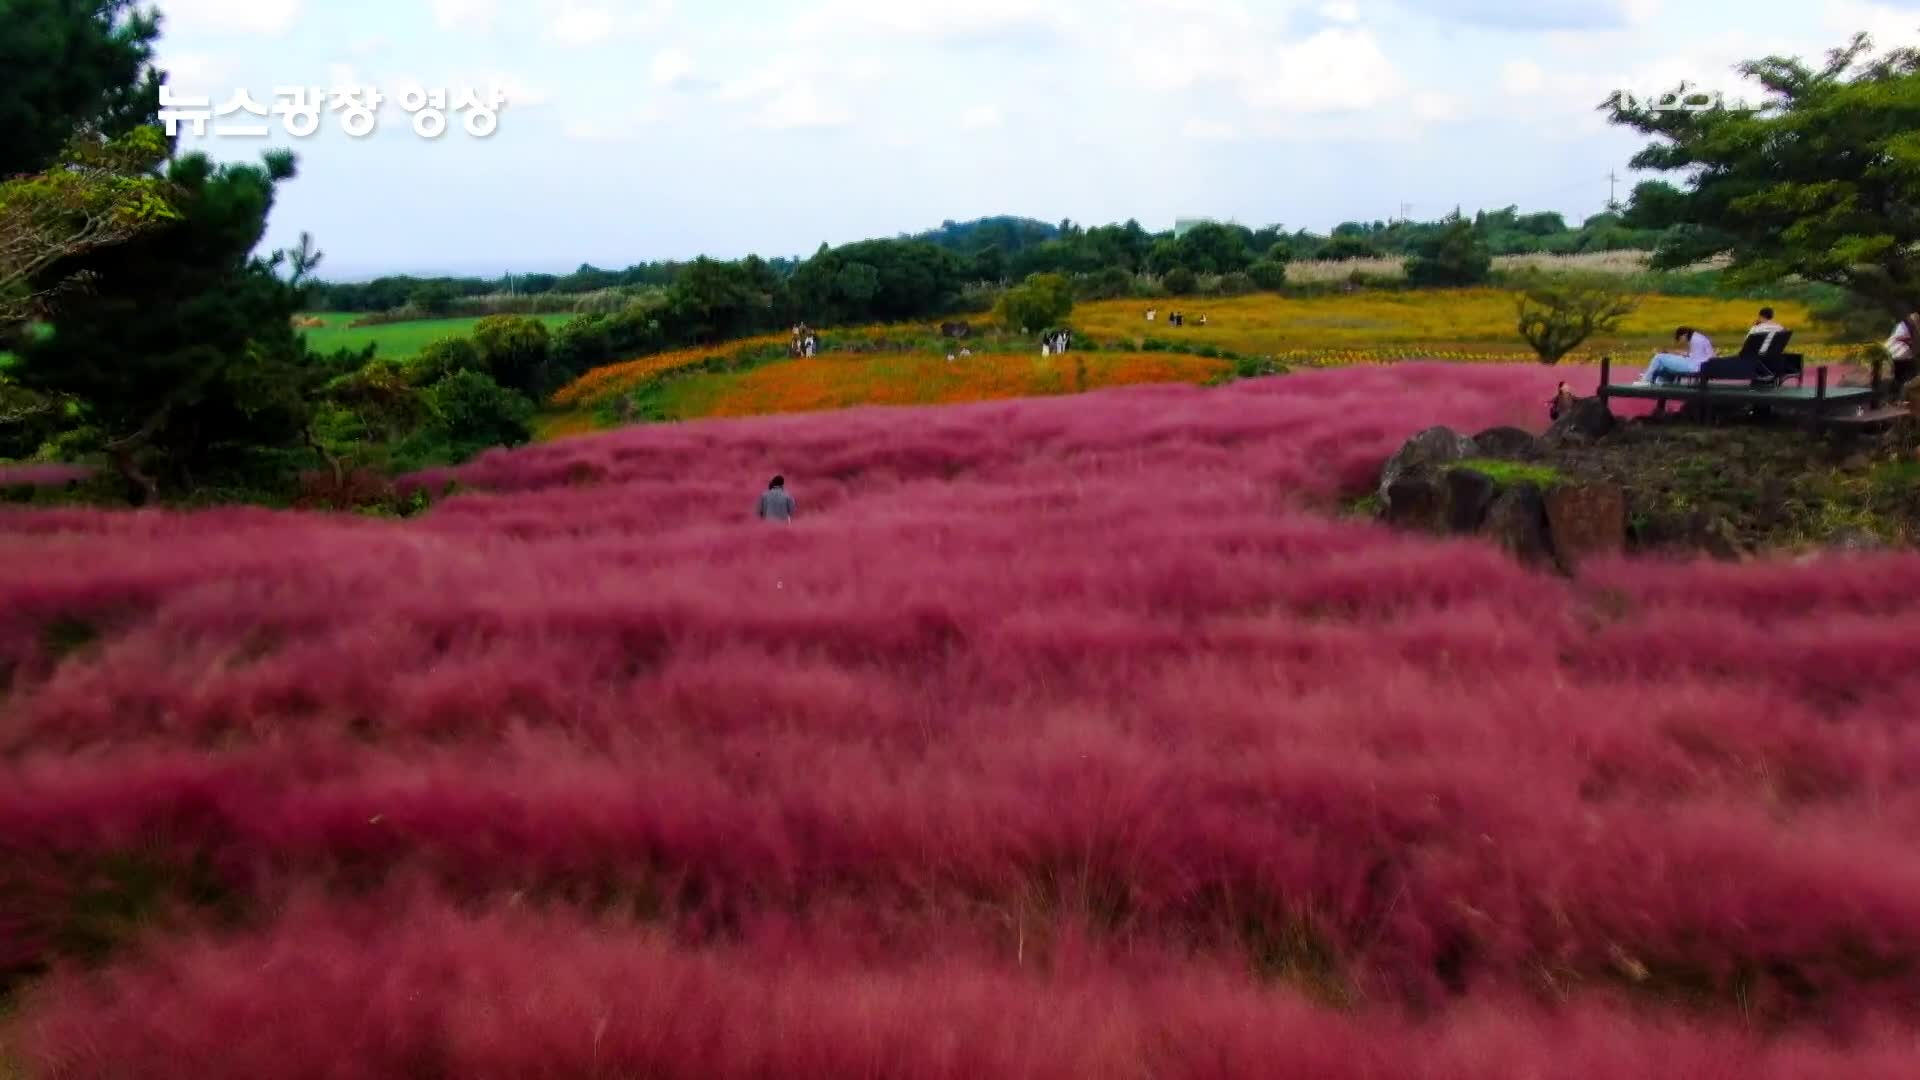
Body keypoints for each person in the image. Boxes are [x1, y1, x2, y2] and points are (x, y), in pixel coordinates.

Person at [1635, 326, 1714, 385]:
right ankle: (1662, 380)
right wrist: (1676, 353)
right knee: (1667, 359)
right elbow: (1700, 355)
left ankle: (1646, 380)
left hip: (1694, 367)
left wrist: (1677, 355)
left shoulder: (1695, 340)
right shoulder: (1699, 337)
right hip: (1701, 366)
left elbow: (1695, 359)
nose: (1681, 341)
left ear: (1685, 335)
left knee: (1659, 357)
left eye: (1680, 338)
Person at [1885, 312, 1918, 397]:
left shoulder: (1906, 325)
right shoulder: (1905, 326)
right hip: (1899, 353)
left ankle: (1897, 396)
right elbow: (1902, 338)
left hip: (1900, 353)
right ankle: (1898, 396)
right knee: (1905, 375)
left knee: (1902, 376)